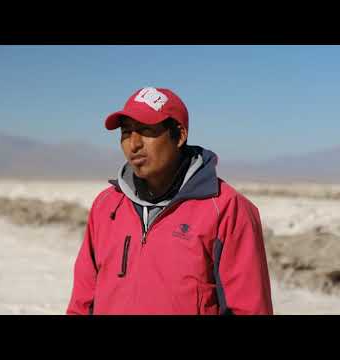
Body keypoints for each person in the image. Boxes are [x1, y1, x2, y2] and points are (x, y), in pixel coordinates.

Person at [66, 87, 273, 315]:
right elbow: (81, 302)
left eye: (146, 130)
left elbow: (250, 309)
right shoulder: (106, 206)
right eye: (126, 132)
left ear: (180, 135)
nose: (133, 144)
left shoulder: (227, 209)